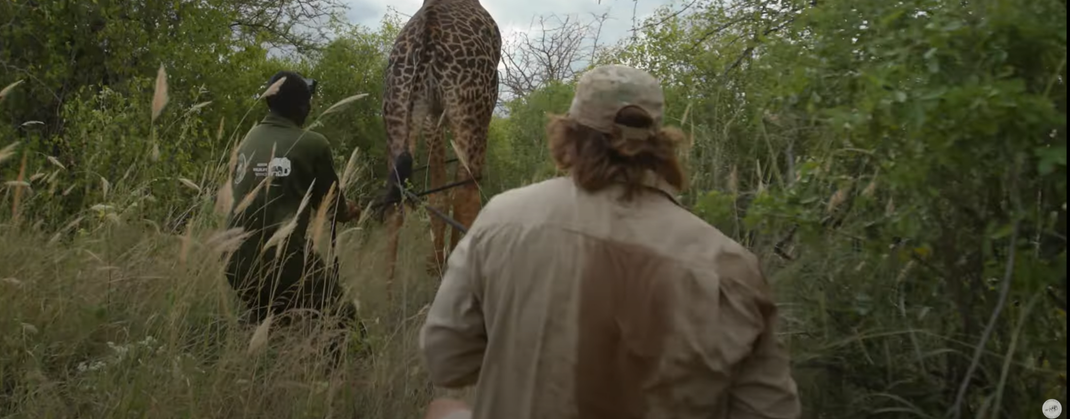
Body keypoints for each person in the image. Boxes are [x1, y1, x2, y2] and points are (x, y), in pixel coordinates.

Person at [418, 64, 801, 419]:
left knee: (444, 410)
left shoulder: (502, 218)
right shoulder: (731, 266)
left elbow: (447, 360)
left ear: (569, 135)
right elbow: (770, 409)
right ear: (661, 145)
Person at [224, 71, 364, 346]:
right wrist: (352, 210)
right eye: (308, 101)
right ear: (303, 107)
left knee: (274, 316)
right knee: (345, 322)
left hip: (234, 263)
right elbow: (335, 210)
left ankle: (255, 358)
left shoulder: (249, 138)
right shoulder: (314, 144)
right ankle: (355, 370)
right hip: (282, 263)